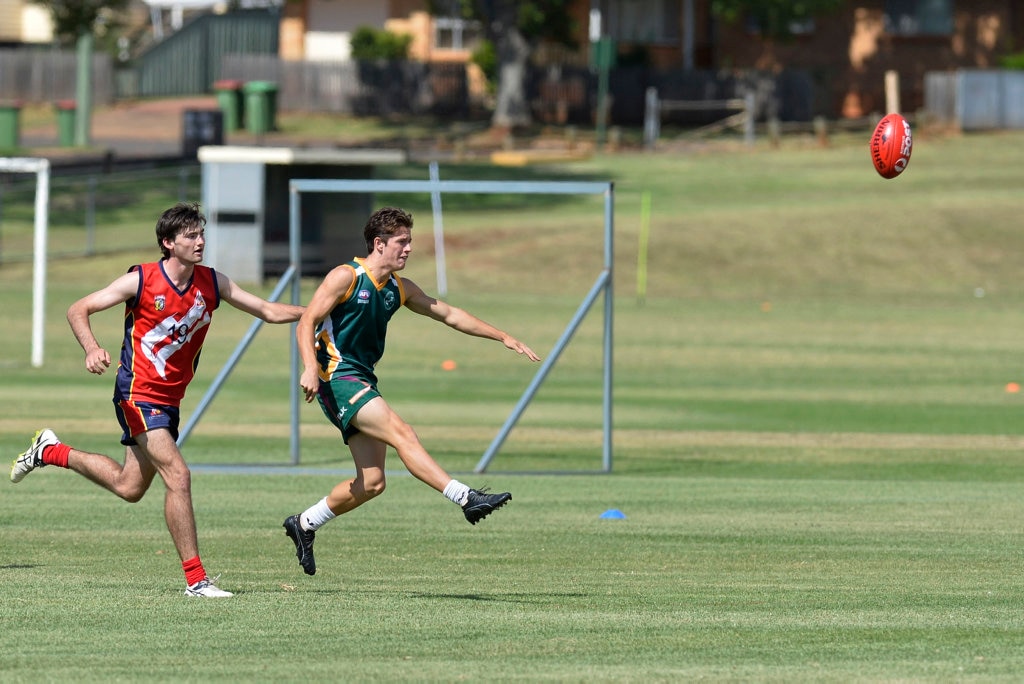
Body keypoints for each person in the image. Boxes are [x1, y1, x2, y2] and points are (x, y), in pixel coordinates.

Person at [9, 202, 304, 598]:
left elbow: (267, 310)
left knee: (129, 487)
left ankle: (50, 451)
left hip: (168, 401)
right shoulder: (142, 280)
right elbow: (78, 308)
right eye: (191, 236)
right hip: (136, 393)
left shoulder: (212, 282)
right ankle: (197, 581)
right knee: (179, 477)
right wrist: (91, 348)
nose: (200, 241)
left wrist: (317, 311)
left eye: (202, 234)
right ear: (168, 243)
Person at [283, 206, 540, 576]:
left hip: (362, 379)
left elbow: (449, 313)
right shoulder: (346, 276)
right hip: (337, 380)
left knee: (372, 483)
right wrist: (309, 367)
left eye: (409, 242)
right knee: (403, 433)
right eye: (402, 242)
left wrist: (503, 336)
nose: (408, 249)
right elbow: (307, 321)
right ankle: (466, 498)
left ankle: (305, 523)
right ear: (379, 243)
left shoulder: (398, 289)